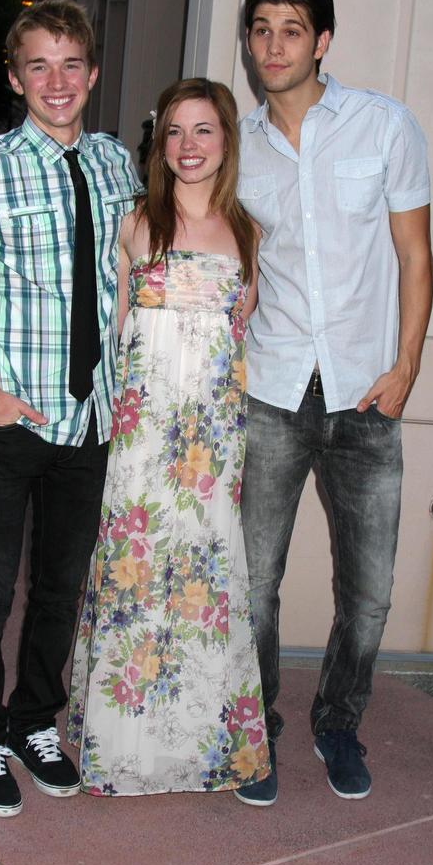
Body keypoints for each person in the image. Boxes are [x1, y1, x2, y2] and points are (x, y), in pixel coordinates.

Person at [0, 0, 141, 818]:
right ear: (16, 77)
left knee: (62, 586)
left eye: (72, 63)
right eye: (39, 65)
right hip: (9, 420)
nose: (58, 81)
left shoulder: (119, 164)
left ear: (92, 73)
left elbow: (132, 275)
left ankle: (32, 720)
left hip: (93, 418)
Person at [233, 0, 433, 807]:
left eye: (291, 28)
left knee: (372, 593)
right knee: (252, 583)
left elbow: (416, 256)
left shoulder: (385, 126)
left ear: (322, 42)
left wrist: (407, 367)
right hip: (272, 391)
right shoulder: (239, 149)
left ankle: (338, 722)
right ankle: (260, 732)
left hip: (365, 396)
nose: (273, 44)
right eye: (261, 28)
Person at [66, 78, 270, 797]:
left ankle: (199, 746)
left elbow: (238, 341)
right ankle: (122, 746)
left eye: (204, 130)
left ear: (226, 140)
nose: (188, 146)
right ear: (160, 142)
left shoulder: (249, 232)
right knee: (134, 579)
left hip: (211, 446)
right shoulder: (133, 225)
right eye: (176, 131)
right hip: (143, 441)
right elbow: (113, 337)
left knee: (205, 583)